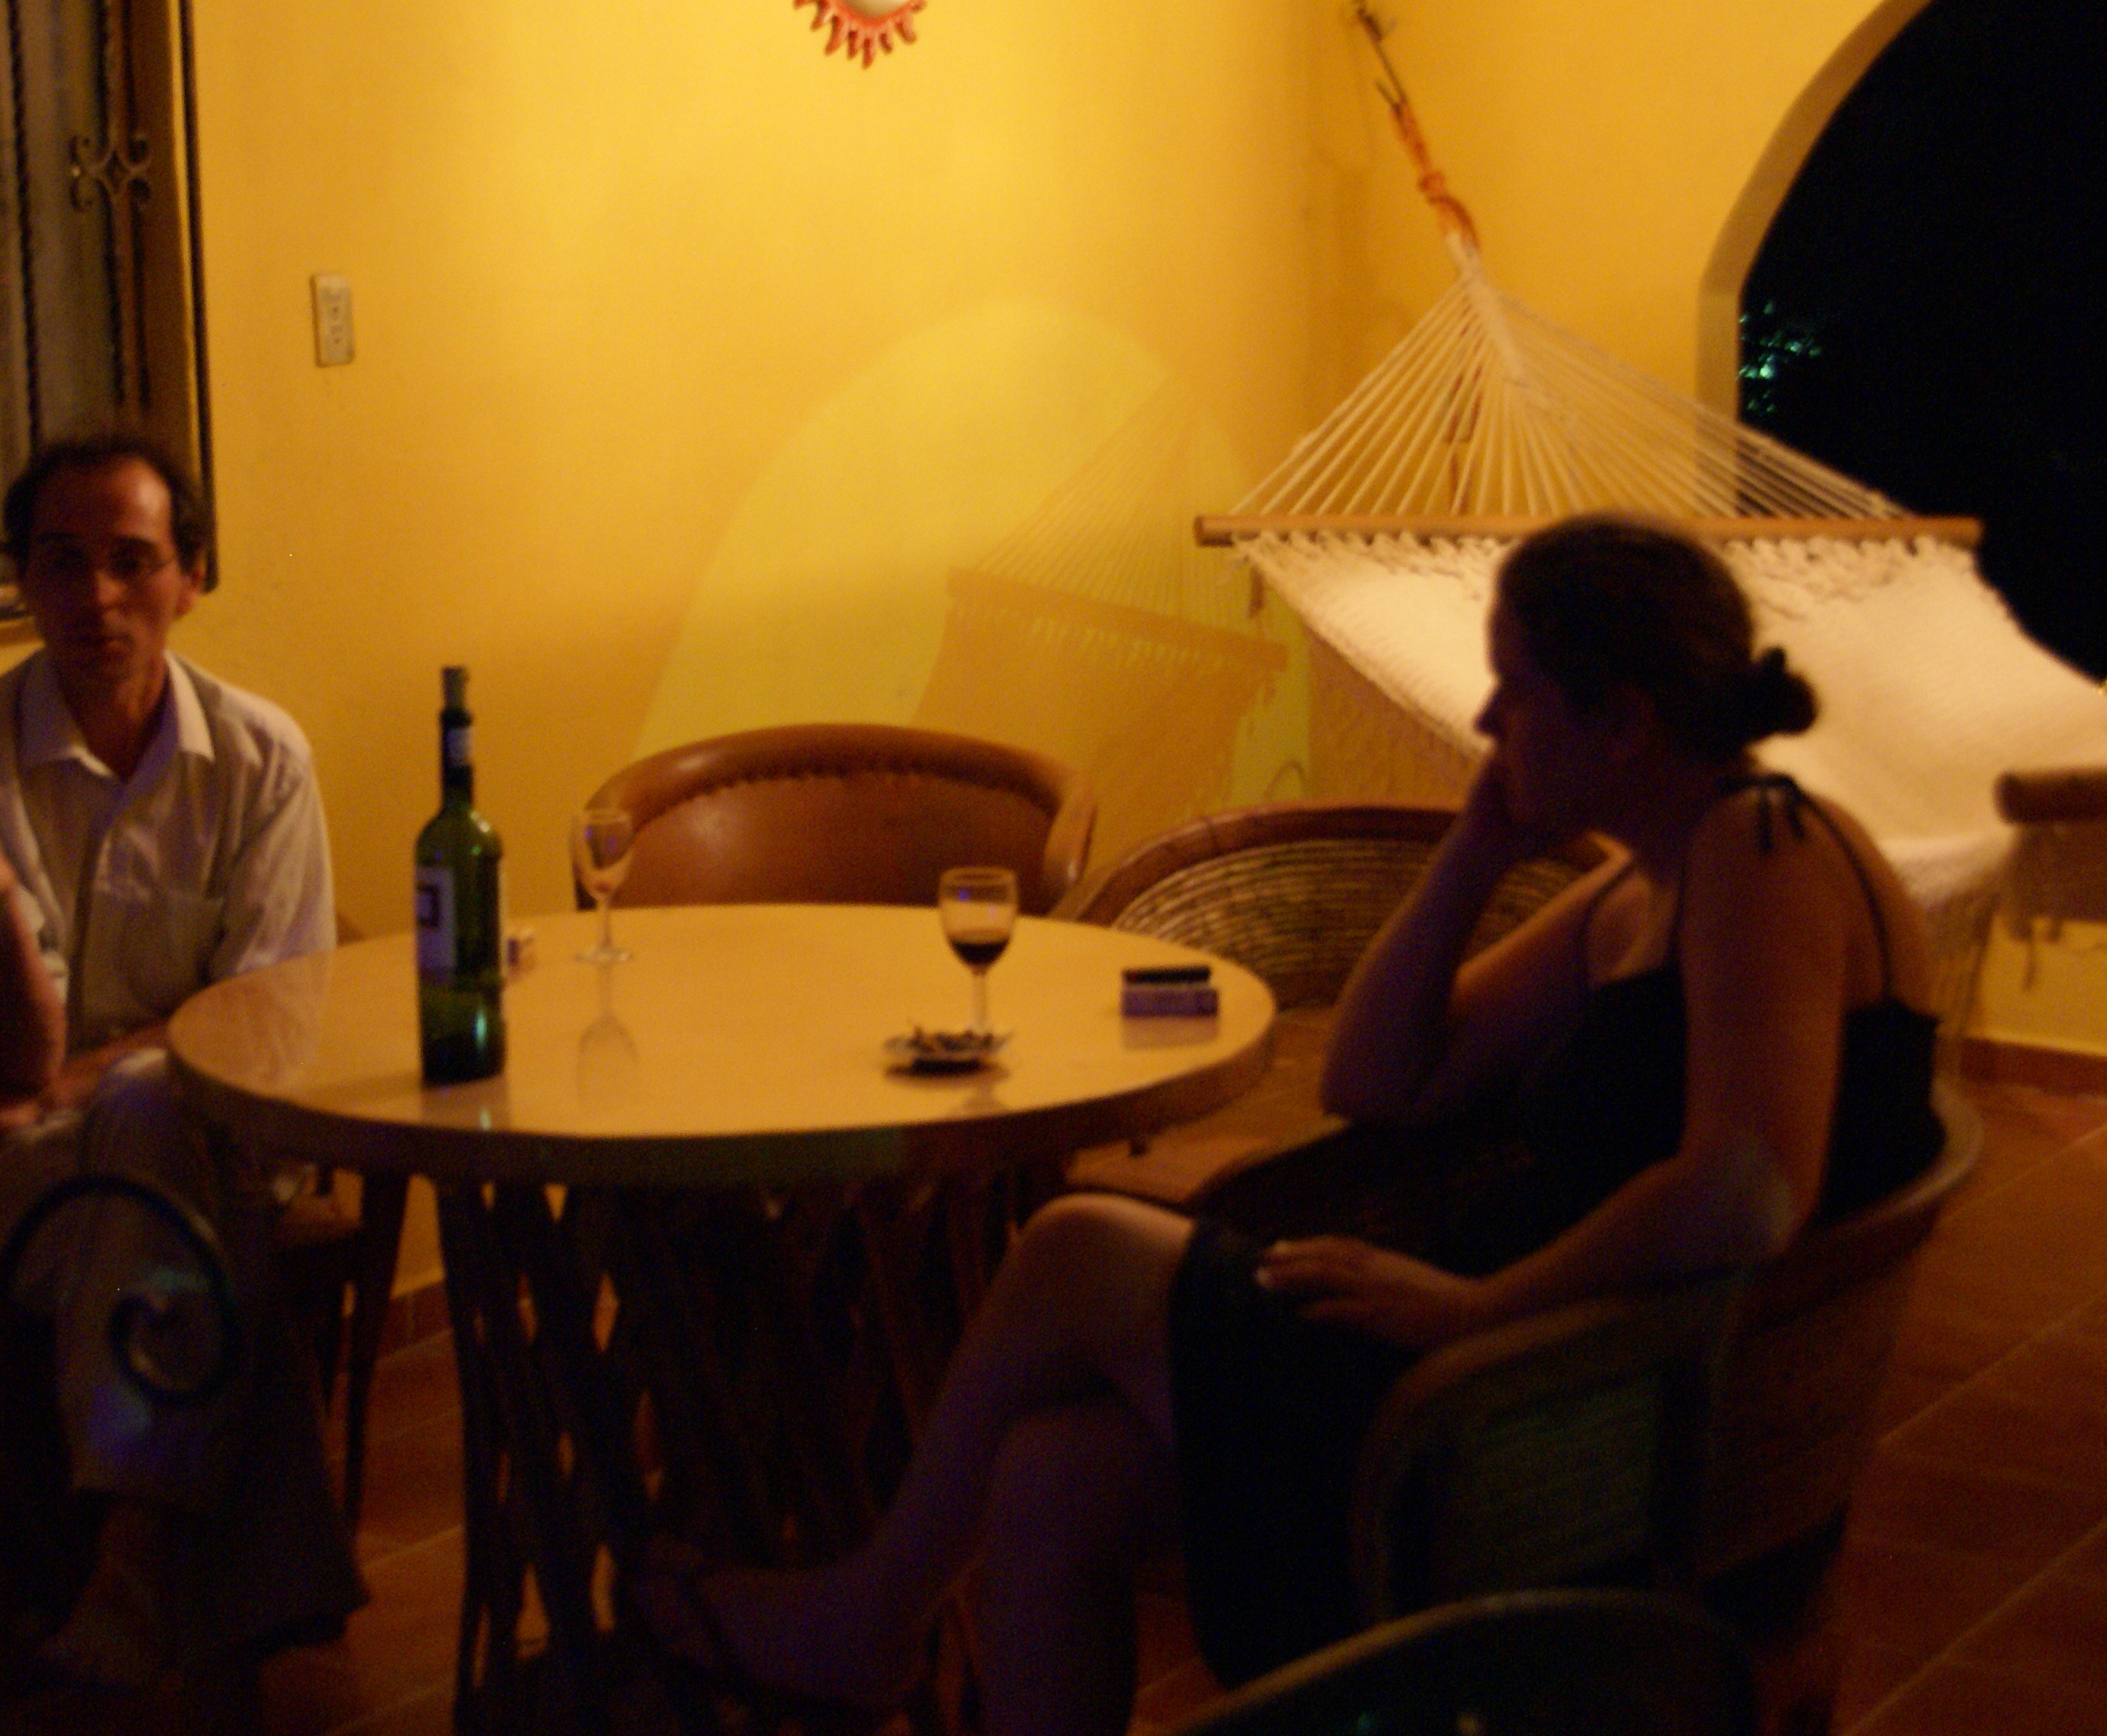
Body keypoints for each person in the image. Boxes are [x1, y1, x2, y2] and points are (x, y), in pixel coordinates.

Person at [636, 513, 1945, 1736]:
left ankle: (864, 1621)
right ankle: (869, 1622)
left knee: (1076, 1245)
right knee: (1047, 1479)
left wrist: (1471, 1311)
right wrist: (1473, 855)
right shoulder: (1645, 887)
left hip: (1556, 1421)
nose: (1485, 722)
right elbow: (1378, 1082)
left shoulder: (1760, 850)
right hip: (1551, 1376)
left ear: (1621, 721)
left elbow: (1747, 1186)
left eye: (1514, 692)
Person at [0, 430, 361, 1694]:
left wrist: (74, 1083)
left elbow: (262, 1021)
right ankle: (197, 1585)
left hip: (212, 1124)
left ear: (191, 577)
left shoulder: (262, 759)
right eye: (60, 562)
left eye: (131, 561)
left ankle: (128, 1575)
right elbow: (7, 1064)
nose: (95, 596)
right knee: (176, 1186)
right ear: (23, 582)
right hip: (12, 1175)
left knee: (156, 1121)